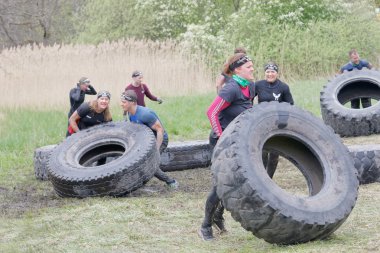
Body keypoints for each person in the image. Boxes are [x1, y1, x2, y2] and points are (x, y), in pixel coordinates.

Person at [199, 53, 255, 241]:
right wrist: (222, 137)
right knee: (219, 186)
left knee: (235, 181)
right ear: (237, 69)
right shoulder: (231, 88)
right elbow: (211, 112)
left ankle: (218, 216)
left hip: (239, 141)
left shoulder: (250, 86)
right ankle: (206, 225)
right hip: (221, 142)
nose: (252, 69)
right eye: (249, 67)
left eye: (252, 66)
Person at [120, 90, 178, 189]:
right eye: (121, 101)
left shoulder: (145, 114)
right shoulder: (130, 112)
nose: (121, 104)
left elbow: (160, 130)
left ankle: (171, 182)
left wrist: (156, 148)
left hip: (159, 139)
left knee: (149, 165)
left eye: (124, 102)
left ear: (133, 102)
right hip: (147, 140)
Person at [254, 62, 294, 178]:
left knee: (274, 153)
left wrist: (283, 122)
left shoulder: (283, 87)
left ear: (277, 73)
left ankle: (269, 178)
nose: (270, 74)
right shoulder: (258, 85)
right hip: (262, 122)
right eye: (267, 71)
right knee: (263, 151)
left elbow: (290, 105)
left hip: (277, 124)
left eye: (272, 72)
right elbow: (248, 100)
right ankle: (262, 177)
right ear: (264, 73)